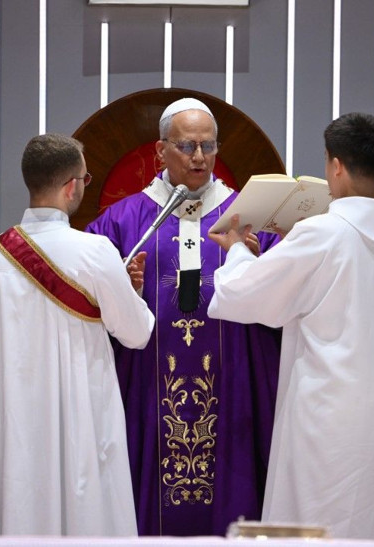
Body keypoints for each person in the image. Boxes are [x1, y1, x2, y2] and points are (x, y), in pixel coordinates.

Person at [207, 112, 374, 540]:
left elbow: (242, 294)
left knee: (320, 522)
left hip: (326, 416)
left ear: (336, 166)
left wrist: (236, 250)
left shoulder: (321, 233)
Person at [85, 98, 282, 536]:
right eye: (187, 146)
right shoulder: (122, 223)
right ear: (160, 151)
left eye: (208, 146)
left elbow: (280, 296)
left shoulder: (245, 218)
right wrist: (123, 289)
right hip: (148, 391)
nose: (199, 157)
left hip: (230, 390)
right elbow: (86, 299)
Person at [0, 133, 155, 536]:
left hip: (20, 429)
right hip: (82, 422)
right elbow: (136, 333)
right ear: (72, 186)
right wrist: (132, 296)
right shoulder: (95, 251)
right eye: (86, 180)